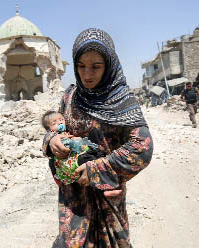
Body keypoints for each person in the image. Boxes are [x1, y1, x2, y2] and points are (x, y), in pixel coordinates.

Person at [42, 28, 153, 247]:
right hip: (73, 195)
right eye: (81, 66)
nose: (87, 74)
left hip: (106, 194)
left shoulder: (122, 100)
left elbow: (143, 147)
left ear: (109, 65)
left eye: (96, 66)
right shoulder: (70, 96)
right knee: (72, 242)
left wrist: (97, 169)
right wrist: (51, 140)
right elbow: (55, 126)